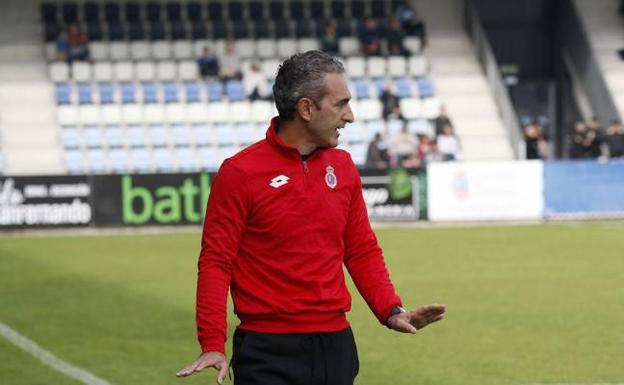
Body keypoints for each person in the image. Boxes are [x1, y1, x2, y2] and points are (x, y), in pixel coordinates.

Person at [176, 50, 446, 385]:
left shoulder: (344, 167)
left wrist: (390, 310)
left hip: (336, 346)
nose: (350, 116)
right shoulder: (240, 173)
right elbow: (216, 261)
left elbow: (360, 249)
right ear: (306, 108)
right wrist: (213, 342)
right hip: (268, 352)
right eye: (340, 103)